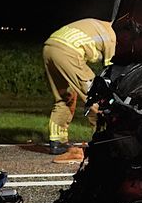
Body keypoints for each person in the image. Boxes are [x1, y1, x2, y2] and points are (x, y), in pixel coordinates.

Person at [42, 17, 115, 162]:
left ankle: (57, 141)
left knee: (64, 97)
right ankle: (103, 140)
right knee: (99, 97)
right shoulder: (113, 36)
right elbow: (112, 70)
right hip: (68, 53)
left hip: (49, 48)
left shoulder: (101, 25)